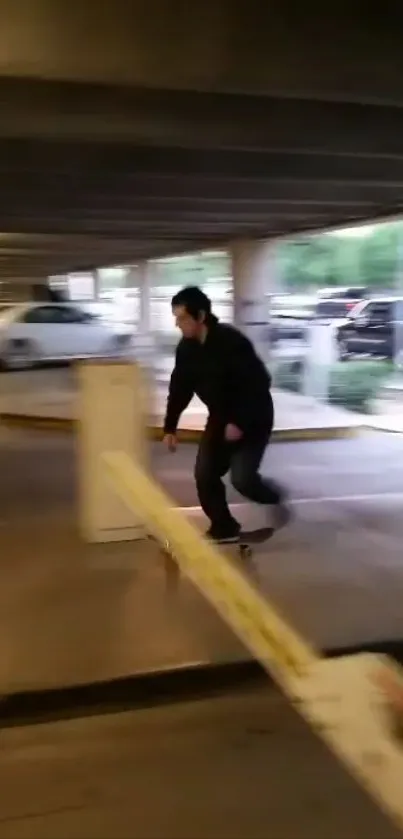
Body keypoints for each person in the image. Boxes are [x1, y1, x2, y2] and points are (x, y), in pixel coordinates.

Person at [163, 286, 290, 543]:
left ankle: (274, 497)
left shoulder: (231, 341)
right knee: (204, 474)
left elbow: (258, 382)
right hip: (220, 418)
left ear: (200, 316)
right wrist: (170, 426)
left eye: (183, 318)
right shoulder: (186, 349)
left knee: (243, 480)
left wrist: (239, 421)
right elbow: (180, 387)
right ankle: (224, 527)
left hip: (254, 416)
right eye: (176, 319)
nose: (179, 324)